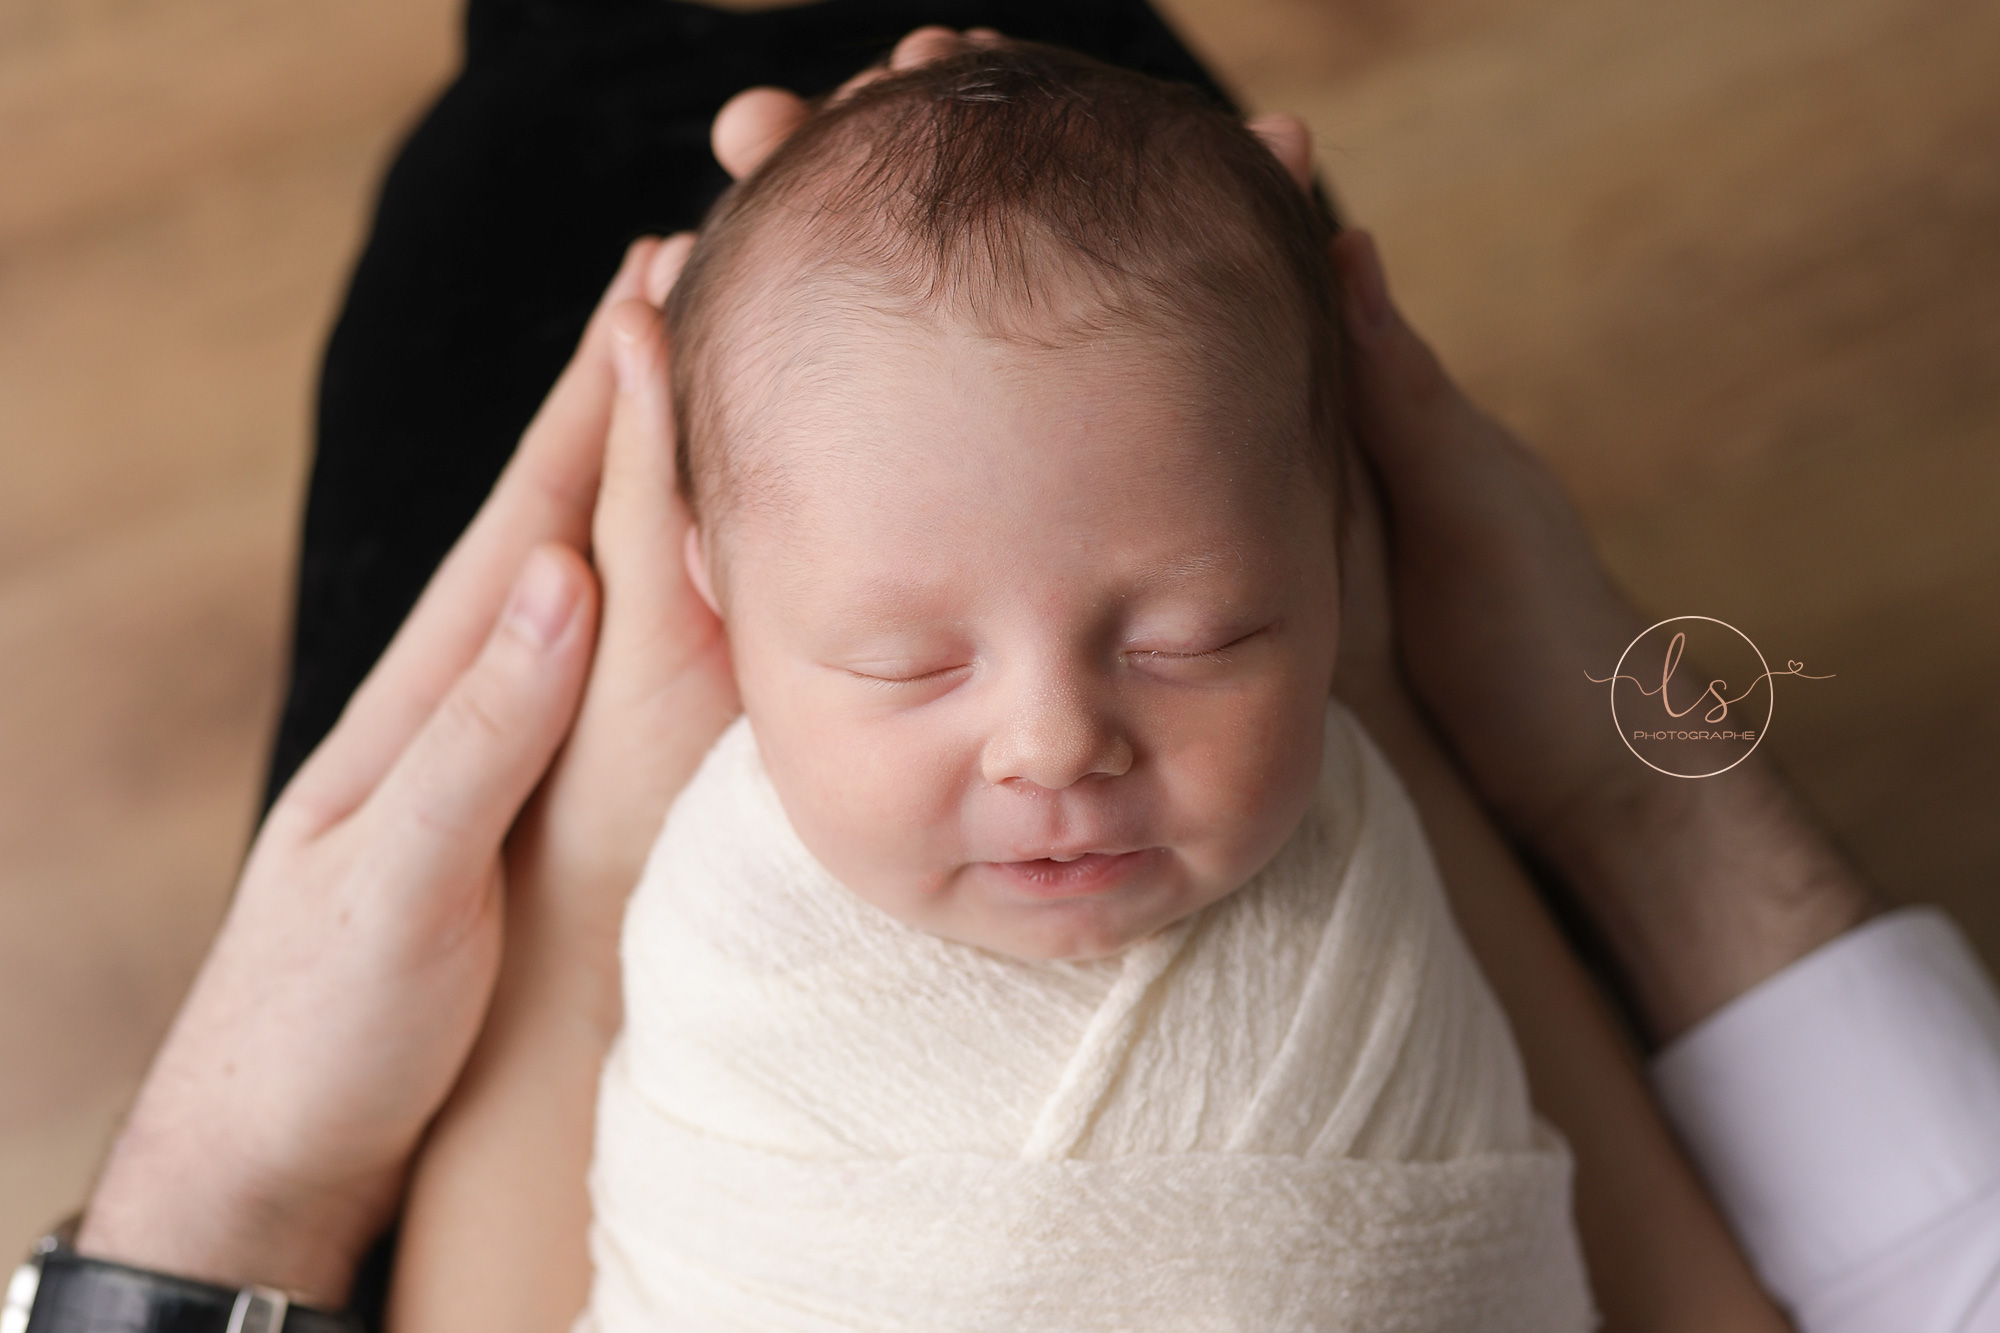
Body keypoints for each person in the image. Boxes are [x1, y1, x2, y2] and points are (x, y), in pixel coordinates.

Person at [24, 6, 1994, 1333]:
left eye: (1191, 632)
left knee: (536, 165)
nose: (1057, 740)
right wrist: (1436, 731)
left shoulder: (708, 875)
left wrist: (591, 878)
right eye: (906, 655)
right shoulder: (1336, 763)